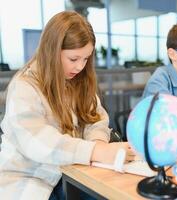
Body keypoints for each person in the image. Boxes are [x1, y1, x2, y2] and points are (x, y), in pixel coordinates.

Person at [0, 11, 134, 200]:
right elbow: (38, 143)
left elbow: (95, 119)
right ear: (52, 51)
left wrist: (98, 142)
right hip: (30, 181)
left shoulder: (77, 80)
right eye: (74, 59)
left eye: (86, 58)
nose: (80, 67)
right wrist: (96, 151)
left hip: (70, 173)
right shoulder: (24, 86)